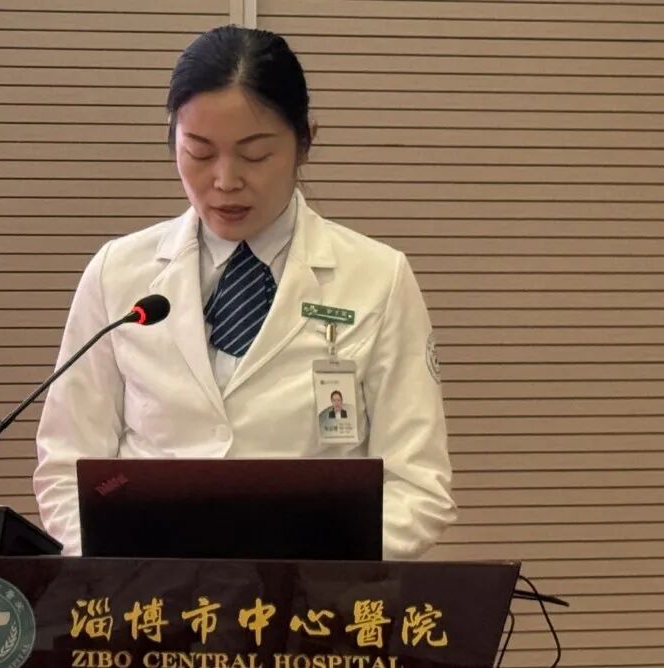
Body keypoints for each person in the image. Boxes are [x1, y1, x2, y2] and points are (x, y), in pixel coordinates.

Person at [34, 25, 456, 560]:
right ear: (173, 139)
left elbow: (417, 485)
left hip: (311, 599)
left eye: (255, 155)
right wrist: (129, 570)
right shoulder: (118, 273)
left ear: (305, 141)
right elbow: (66, 466)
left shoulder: (378, 278)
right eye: (199, 152)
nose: (226, 180)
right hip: (148, 596)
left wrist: (301, 576)